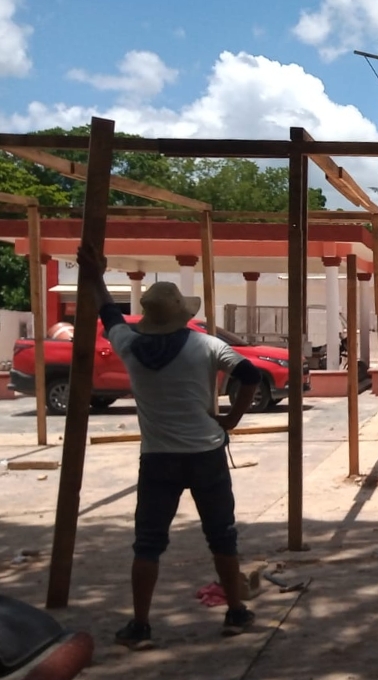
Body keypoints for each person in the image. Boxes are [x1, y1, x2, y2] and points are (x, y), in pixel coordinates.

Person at [75, 246, 262, 650]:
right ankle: (236, 611)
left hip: (158, 458)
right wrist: (231, 419)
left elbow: (108, 312)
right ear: (182, 313)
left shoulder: (127, 344)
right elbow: (252, 374)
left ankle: (140, 624)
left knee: (148, 543)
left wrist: (95, 277)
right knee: (222, 537)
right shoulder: (206, 346)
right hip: (206, 455)